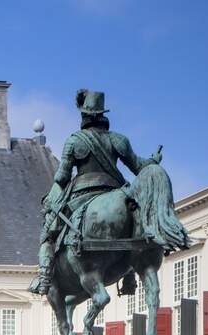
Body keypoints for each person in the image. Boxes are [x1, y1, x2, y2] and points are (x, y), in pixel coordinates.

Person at [31, 88, 162, 295]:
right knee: (133, 225)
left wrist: (51, 201)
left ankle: (45, 277)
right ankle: (129, 279)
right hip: (115, 190)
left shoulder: (74, 141)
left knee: (48, 234)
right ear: (102, 115)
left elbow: (62, 176)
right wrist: (153, 161)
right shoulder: (119, 140)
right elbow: (139, 167)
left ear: (84, 115)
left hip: (82, 195)